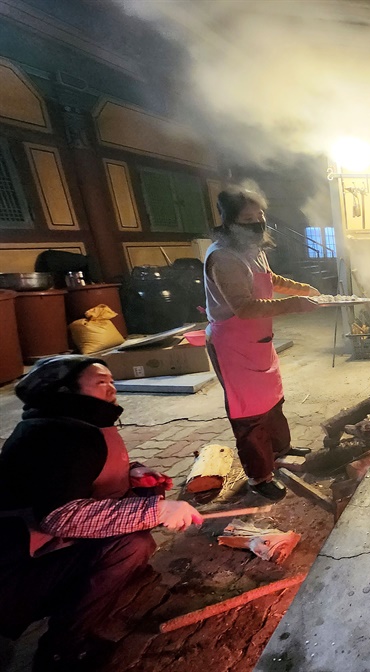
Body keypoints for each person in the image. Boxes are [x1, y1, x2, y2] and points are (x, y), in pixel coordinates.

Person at [0, 356, 203, 671]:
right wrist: (158, 509)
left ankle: (114, 578)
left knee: (138, 525)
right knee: (131, 544)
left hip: (49, 545)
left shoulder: (76, 423)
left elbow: (86, 475)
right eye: (100, 382)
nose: (111, 388)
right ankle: (60, 649)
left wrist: (134, 473)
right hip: (18, 569)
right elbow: (60, 516)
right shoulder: (55, 437)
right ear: (68, 390)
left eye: (111, 380)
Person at [204, 186, 321, 501]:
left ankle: (281, 451)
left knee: (273, 400)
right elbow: (244, 307)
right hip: (234, 346)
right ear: (229, 223)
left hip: (259, 342)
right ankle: (259, 476)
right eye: (248, 219)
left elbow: (272, 280)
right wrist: (294, 305)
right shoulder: (224, 257)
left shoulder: (253, 249)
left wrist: (301, 289)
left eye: (260, 217)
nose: (257, 224)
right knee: (249, 414)